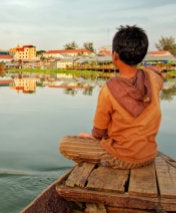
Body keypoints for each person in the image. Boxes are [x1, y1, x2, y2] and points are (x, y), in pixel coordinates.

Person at [59, 25, 164, 169]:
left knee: (65, 143)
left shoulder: (108, 89)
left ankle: (102, 162)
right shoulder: (153, 78)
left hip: (121, 158)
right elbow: (157, 72)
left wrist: (93, 139)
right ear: (142, 55)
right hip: (149, 155)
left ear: (114, 56)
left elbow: (99, 132)